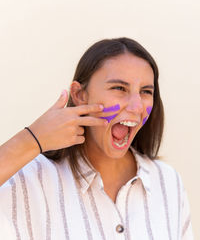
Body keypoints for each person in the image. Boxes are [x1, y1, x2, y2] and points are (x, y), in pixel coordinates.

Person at [0, 38, 193, 239]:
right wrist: (33, 138)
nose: (137, 107)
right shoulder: (30, 180)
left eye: (146, 91)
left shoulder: (167, 181)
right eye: (119, 88)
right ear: (80, 94)